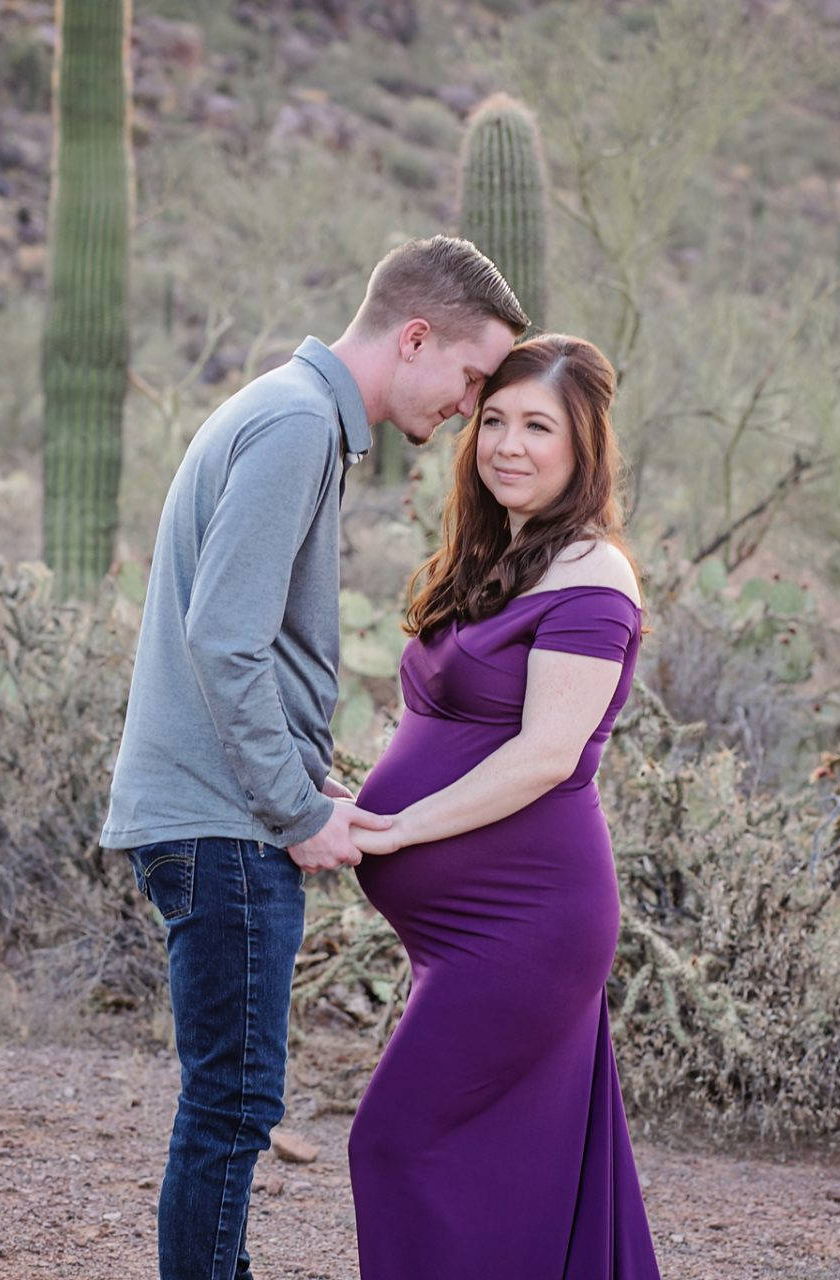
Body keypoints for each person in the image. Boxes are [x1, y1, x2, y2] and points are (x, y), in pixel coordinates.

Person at [101, 234, 527, 1280]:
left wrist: (305, 777)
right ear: (416, 336)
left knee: (230, 1099)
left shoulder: (290, 413)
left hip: (215, 813)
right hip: (222, 825)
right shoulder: (295, 423)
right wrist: (295, 808)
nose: (472, 410)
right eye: (473, 378)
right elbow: (224, 636)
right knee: (233, 1103)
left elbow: (242, 639)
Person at [347, 333, 663, 1279]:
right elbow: (445, 722)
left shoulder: (592, 579)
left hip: (525, 927)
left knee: (396, 1144)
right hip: (462, 933)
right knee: (511, 1170)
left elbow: (542, 757)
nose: (508, 446)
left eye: (539, 427)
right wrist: (353, 791)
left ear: (584, 448)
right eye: (494, 422)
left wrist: (398, 828)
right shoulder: (511, 555)